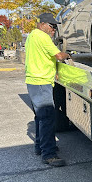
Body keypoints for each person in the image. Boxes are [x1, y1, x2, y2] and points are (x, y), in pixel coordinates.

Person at [25, 13, 70, 167]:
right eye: (52, 27)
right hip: (41, 82)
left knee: (40, 118)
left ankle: (40, 147)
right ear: (42, 24)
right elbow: (58, 55)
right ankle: (49, 154)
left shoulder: (31, 36)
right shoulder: (43, 37)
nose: (53, 30)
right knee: (47, 118)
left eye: (54, 28)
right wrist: (67, 54)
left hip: (33, 81)